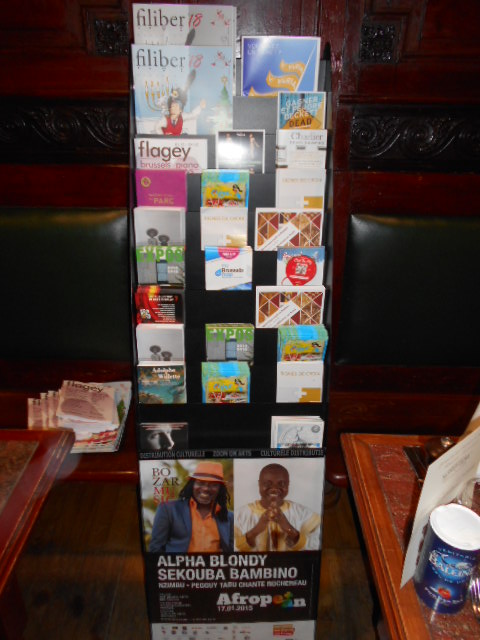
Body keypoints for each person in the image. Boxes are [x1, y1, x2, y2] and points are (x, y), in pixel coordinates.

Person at [149, 461, 233, 553]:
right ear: (192, 485)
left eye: (214, 485)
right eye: (200, 483)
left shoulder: (230, 517)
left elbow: (233, 551)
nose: (206, 488)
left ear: (220, 489)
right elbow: (155, 549)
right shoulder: (168, 509)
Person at [234, 463, 321, 552]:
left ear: (288, 485)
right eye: (267, 484)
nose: (274, 488)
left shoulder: (304, 514)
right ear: (259, 484)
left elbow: (317, 545)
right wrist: (256, 530)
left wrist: (289, 529)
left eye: (281, 484)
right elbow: (230, 548)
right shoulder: (239, 515)